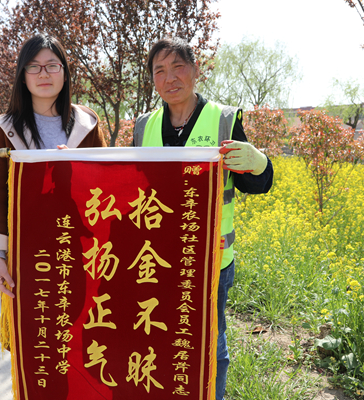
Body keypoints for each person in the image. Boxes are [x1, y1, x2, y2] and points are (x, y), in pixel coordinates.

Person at [133, 37, 273, 400]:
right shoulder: (144, 126)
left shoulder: (223, 120)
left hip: (211, 261)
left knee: (210, 342)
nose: (170, 78)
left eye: (178, 67)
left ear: (195, 71)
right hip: (155, 259)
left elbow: (256, 184)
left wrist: (259, 162)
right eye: (160, 71)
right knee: (159, 336)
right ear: (152, 80)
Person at [0, 34, 106, 298]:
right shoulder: (6, 129)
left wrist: (78, 169)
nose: (43, 73)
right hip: (26, 250)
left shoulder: (87, 124)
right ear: (23, 77)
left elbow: (106, 184)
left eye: (52, 65)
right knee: (36, 317)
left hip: (80, 246)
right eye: (33, 66)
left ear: (65, 74)